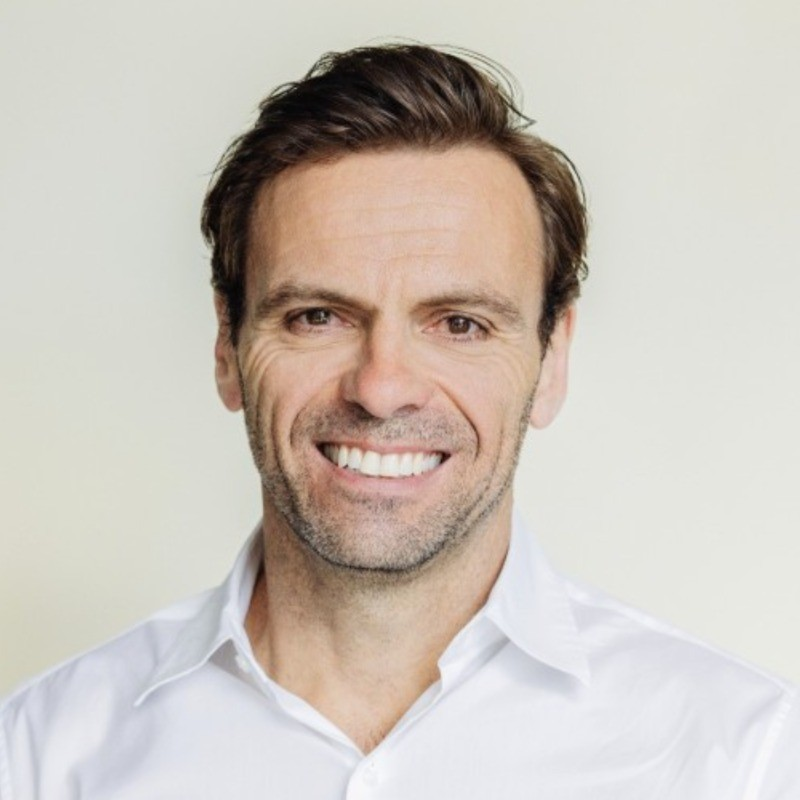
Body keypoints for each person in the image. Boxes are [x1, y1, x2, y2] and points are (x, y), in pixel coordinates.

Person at [1, 43, 797, 799]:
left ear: (552, 359)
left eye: (460, 325)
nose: (381, 389)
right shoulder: (39, 754)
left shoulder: (742, 759)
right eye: (317, 317)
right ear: (227, 346)